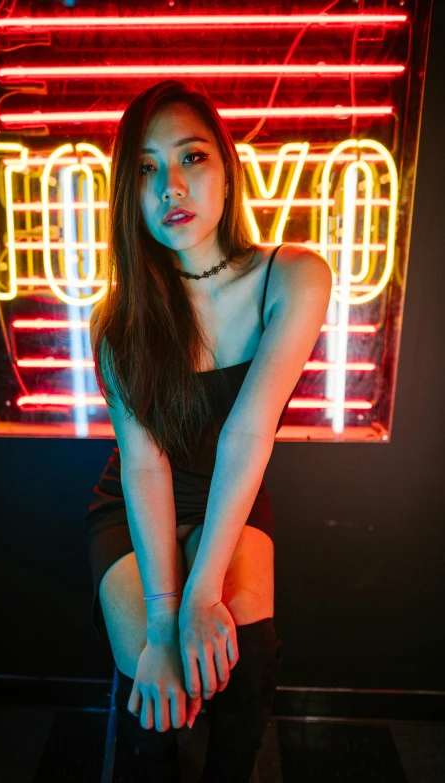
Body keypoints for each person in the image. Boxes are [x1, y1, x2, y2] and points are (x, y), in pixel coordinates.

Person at [86, 79, 333, 782]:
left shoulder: (294, 277)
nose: (170, 186)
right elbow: (144, 466)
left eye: (191, 157)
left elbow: (246, 434)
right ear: (127, 195)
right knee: (152, 679)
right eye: (145, 168)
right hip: (137, 503)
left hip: (233, 489)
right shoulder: (116, 320)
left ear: (227, 166)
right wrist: (167, 617)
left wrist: (202, 598)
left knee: (244, 659)